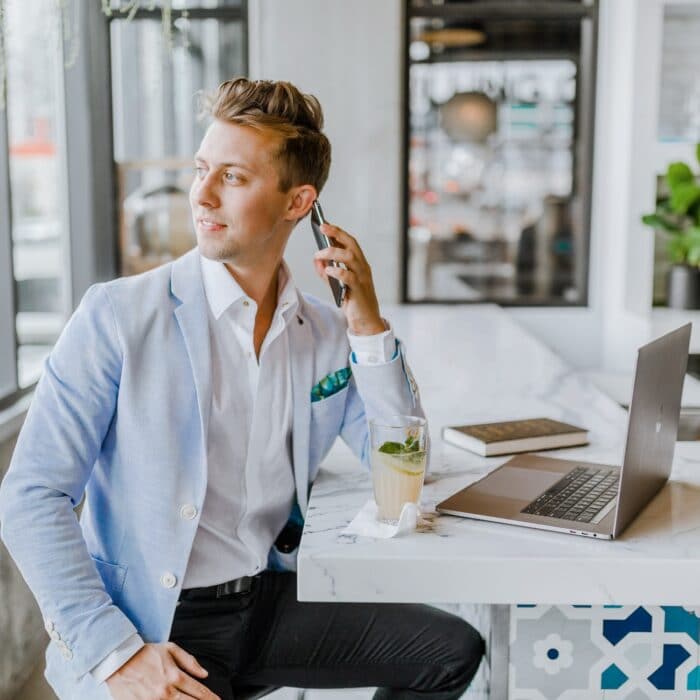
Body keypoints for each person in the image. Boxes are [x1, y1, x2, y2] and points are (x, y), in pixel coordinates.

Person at [0, 77, 484, 700]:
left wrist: (366, 324)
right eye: (202, 168)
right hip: (157, 627)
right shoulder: (118, 316)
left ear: (296, 202)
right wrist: (115, 653)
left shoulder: (323, 332)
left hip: (266, 602)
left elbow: (402, 466)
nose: (200, 193)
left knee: (450, 653)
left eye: (232, 176)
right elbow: (32, 495)